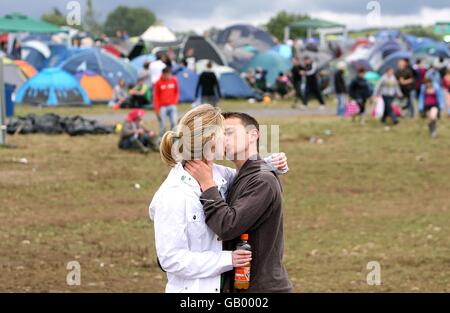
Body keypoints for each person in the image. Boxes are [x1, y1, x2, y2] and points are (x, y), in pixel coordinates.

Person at [148, 104, 289, 293]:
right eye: (225, 132)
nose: (228, 139)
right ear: (211, 139)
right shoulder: (174, 193)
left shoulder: (219, 175)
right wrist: (228, 259)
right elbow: (169, 259)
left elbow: (248, 174)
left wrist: (272, 163)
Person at [185, 111, 293, 293]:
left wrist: (207, 184)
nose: (222, 140)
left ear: (253, 135)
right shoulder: (240, 176)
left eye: (228, 132)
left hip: (262, 290)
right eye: (219, 135)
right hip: (242, 286)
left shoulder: (262, 180)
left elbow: (227, 226)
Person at [153, 67, 179, 139]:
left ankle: (173, 139)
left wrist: (175, 102)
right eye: (166, 75)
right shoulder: (158, 83)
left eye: (169, 75)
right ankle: (161, 140)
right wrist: (157, 110)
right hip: (162, 107)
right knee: (163, 125)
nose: (168, 77)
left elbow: (176, 92)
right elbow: (156, 97)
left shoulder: (174, 80)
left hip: (172, 105)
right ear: (163, 74)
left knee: (174, 122)